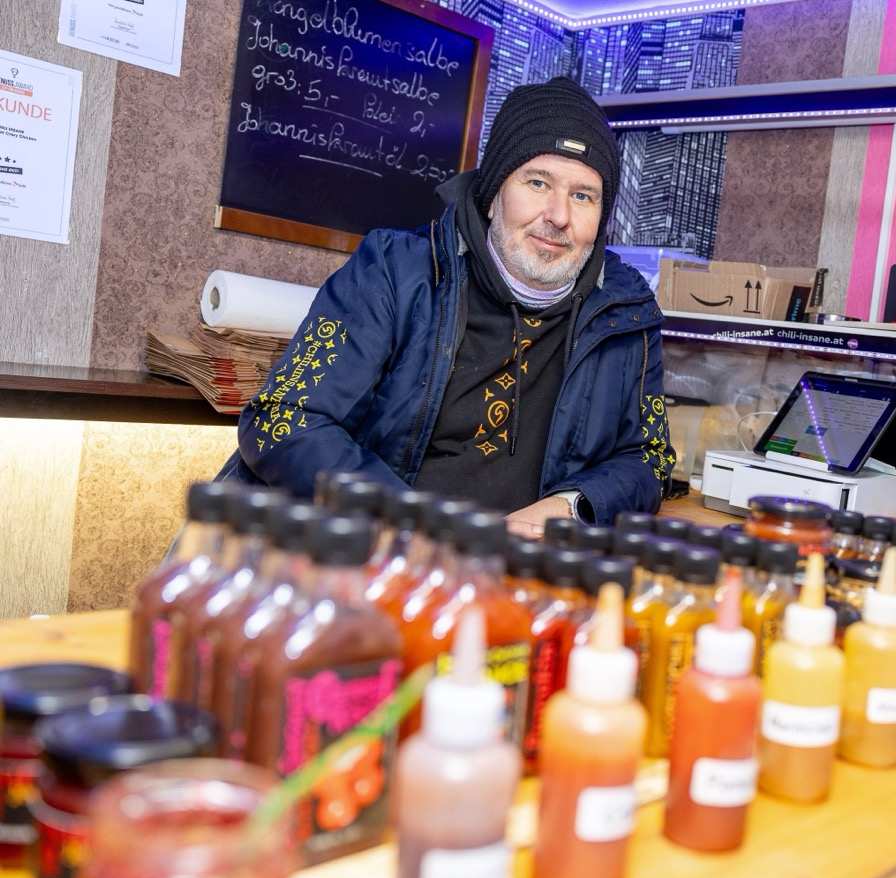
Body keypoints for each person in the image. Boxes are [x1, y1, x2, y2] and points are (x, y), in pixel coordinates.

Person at [216, 77, 674, 535]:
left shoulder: (627, 311)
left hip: (509, 567)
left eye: (583, 195)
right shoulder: (393, 271)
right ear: (494, 194)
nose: (559, 216)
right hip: (349, 548)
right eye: (538, 183)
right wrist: (414, 525)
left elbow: (649, 458)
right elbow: (282, 419)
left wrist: (571, 506)